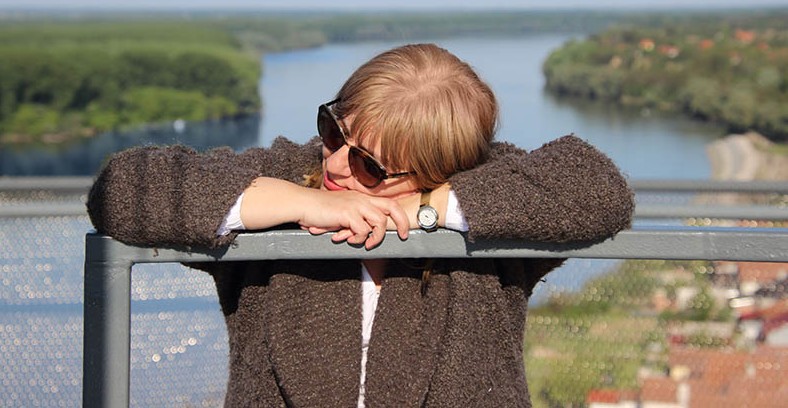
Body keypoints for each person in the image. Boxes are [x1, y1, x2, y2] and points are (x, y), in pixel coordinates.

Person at [87, 43, 634, 408]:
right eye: (333, 130)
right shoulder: (288, 170)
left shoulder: (491, 192)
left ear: (437, 170)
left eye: (370, 165)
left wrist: (431, 213)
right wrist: (292, 202)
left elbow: (598, 187)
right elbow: (121, 187)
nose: (335, 165)